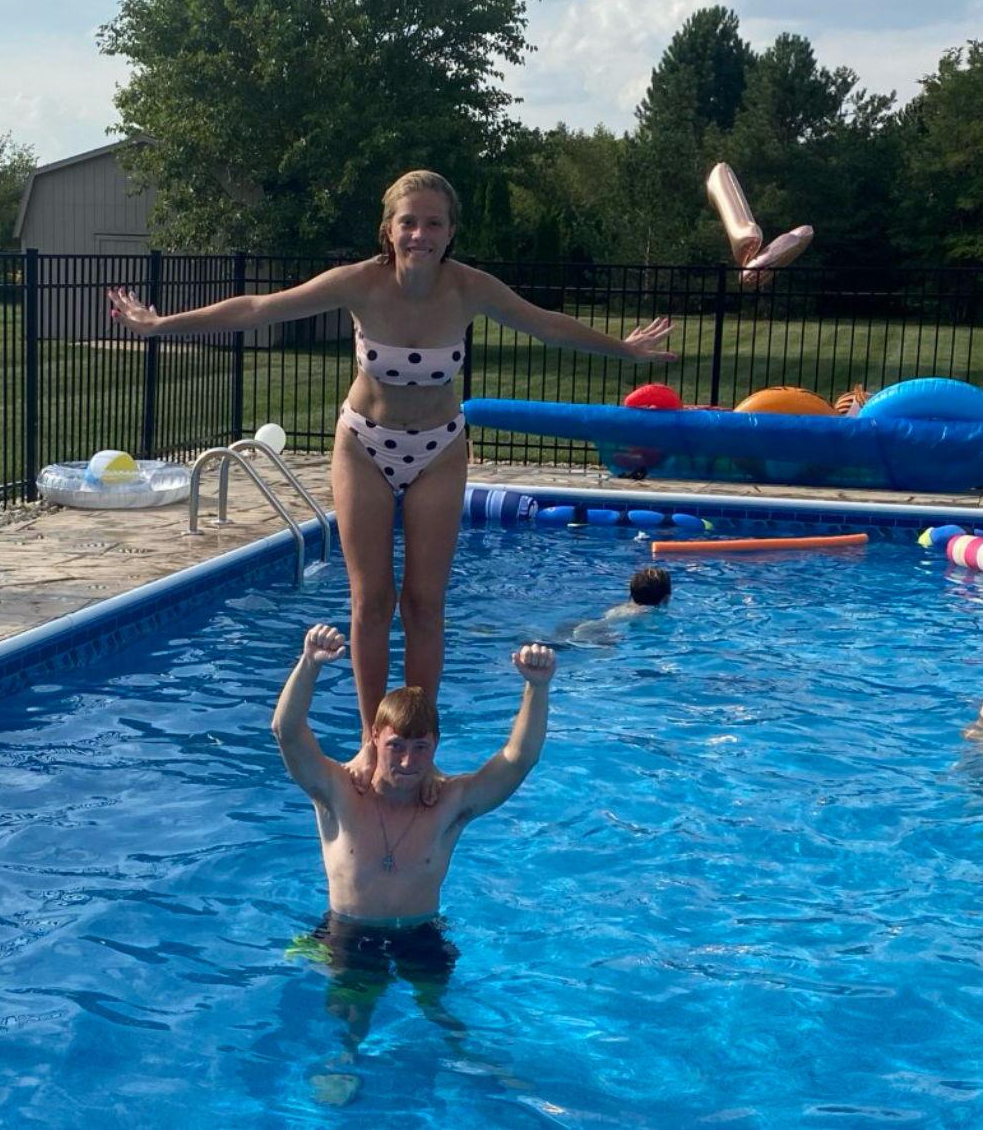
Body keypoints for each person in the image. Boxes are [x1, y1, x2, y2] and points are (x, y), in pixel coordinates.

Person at [109, 170, 671, 785]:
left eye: (433, 222)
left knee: (424, 604)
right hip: (363, 444)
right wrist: (161, 326)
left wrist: (624, 349)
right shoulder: (361, 283)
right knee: (371, 600)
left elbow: (548, 324)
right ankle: (373, 741)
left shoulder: (469, 289)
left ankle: (420, 742)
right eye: (409, 222)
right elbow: (259, 308)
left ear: (451, 232)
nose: (420, 234)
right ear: (389, 229)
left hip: (438, 448)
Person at [271, 622, 556, 1103]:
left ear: (435, 746)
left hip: (420, 931)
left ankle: (469, 1058)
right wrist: (308, 665)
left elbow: (517, 759)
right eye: (396, 746)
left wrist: (537, 687)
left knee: (438, 1010)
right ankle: (344, 1056)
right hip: (349, 931)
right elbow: (287, 732)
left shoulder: (448, 803)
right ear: (375, 737)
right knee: (352, 1015)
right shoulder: (339, 792)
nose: (407, 761)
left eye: (420, 747)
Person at [569, 565, 672, 644]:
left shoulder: (624, 608)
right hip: (597, 638)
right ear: (666, 598)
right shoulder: (641, 613)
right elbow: (583, 629)